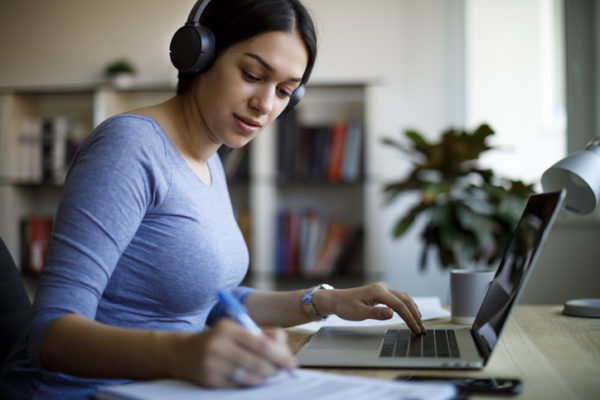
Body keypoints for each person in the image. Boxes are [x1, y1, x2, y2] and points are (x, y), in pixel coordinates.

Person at [0, 0, 425, 398]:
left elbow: (214, 299)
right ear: (198, 55)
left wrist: (322, 301)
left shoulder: (211, 160)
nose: (264, 105)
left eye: (284, 91)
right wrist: (185, 354)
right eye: (253, 76)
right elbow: (49, 333)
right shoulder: (129, 148)